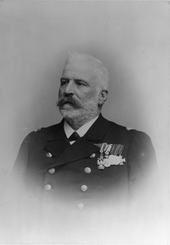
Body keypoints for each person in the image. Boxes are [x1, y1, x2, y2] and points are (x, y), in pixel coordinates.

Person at [10, 52, 159, 243]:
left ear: (102, 96)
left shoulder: (131, 143)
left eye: (80, 83)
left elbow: (149, 221)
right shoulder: (34, 142)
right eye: (64, 82)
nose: (68, 90)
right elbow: (12, 213)